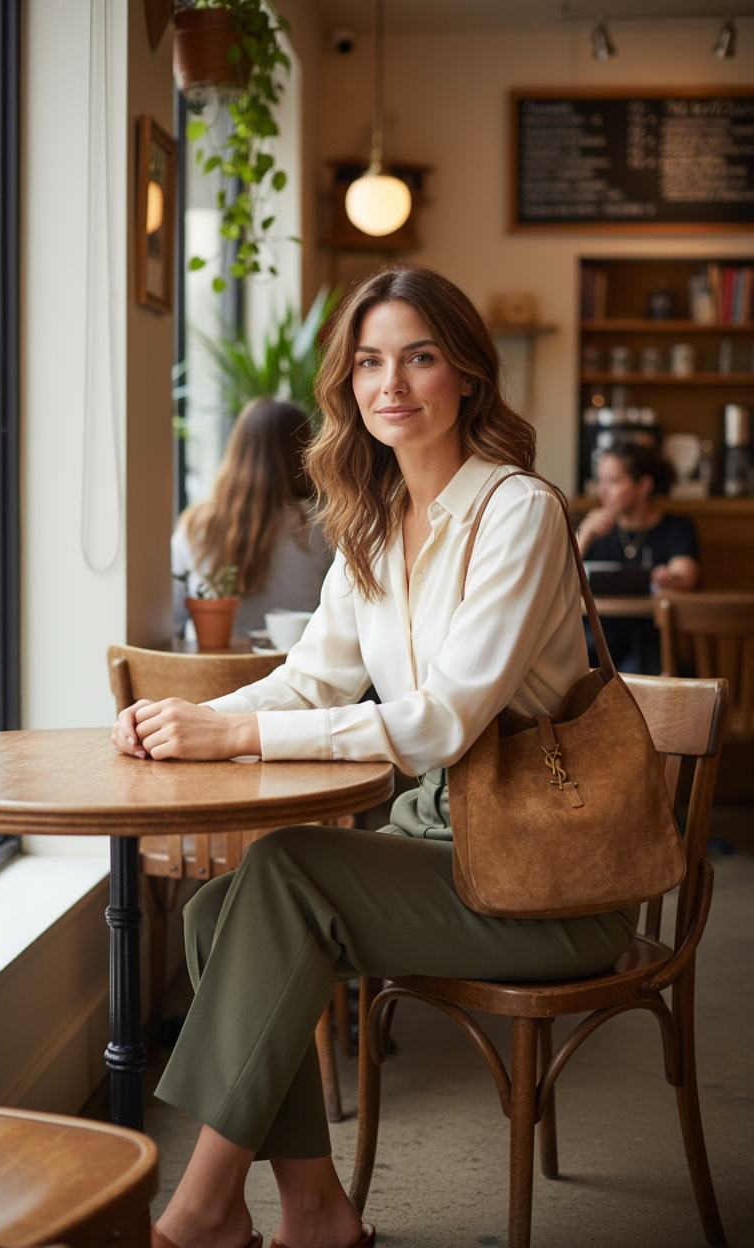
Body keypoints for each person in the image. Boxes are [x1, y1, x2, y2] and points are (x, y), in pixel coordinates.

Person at [112, 266, 639, 1248]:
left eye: (419, 357)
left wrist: (235, 737)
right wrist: (184, 719)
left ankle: (194, 1217)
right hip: (435, 847)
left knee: (279, 867)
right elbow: (311, 679)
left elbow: (443, 723)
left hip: (551, 881)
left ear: (468, 375)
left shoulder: (517, 512)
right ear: (347, 384)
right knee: (223, 909)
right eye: (367, 362)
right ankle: (313, 1214)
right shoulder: (372, 520)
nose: (390, 383)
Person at [172, 397, 332, 637]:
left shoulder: (196, 525)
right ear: (305, 452)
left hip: (208, 672)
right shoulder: (325, 522)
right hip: (295, 670)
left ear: (236, 450)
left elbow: (171, 617)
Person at [576, 441, 699, 672]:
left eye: (613, 481)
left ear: (643, 485)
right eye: (601, 481)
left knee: (639, 670)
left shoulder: (676, 527)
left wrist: (669, 578)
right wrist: (585, 535)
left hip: (651, 636)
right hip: (599, 635)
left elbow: (685, 574)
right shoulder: (592, 527)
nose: (602, 491)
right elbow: (563, 578)